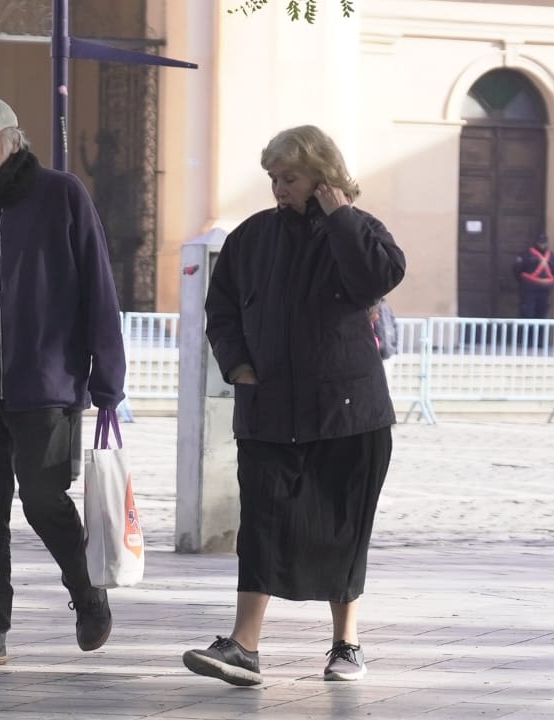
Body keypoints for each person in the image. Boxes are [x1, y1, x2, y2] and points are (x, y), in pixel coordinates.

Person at [188, 125, 406, 687]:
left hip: (347, 412)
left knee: (342, 526)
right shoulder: (252, 237)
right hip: (269, 410)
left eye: (290, 178)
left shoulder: (357, 231)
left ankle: (346, 645)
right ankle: (244, 646)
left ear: (322, 176)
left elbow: (379, 277)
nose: (279, 188)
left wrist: (342, 219)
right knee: (262, 525)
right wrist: (238, 366)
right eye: (273, 179)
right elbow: (223, 308)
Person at [0, 97, 126, 668]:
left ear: (13, 140)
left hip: (49, 385)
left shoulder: (64, 195)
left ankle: (88, 594)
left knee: (43, 501)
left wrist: (107, 379)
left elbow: (98, 289)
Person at [514, 232, 554, 320]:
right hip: (529, 290)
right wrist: (525, 283)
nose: (542, 244)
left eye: (544, 242)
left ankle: (540, 334)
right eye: (540, 242)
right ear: (536, 242)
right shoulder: (526, 255)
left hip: (544, 291)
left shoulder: (551, 256)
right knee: (528, 315)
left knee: (541, 316)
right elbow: (517, 270)